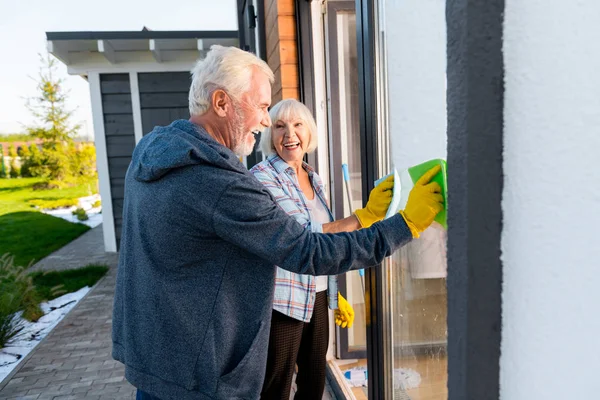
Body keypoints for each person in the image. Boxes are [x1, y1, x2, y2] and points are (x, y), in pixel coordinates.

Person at [112, 45, 443, 400]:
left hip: (158, 360)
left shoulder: (151, 153)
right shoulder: (220, 183)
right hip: (200, 377)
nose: (267, 122)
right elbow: (307, 250)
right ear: (221, 103)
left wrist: (352, 244)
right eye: (262, 107)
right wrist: (405, 224)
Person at [250, 99, 380, 399]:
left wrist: (335, 291)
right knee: (277, 386)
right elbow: (301, 236)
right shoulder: (262, 178)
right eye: (280, 126)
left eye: (297, 125)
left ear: (309, 132)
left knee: (314, 381)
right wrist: (361, 218)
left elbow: (326, 246)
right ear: (270, 135)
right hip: (283, 300)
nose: (289, 134)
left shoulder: (313, 177)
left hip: (317, 294)